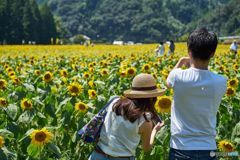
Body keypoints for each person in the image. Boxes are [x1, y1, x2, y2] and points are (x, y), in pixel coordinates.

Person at [166, 28, 227, 160]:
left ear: (189, 50)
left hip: (181, 147)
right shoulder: (221, 81)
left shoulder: (177, 76)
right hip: (208, 148)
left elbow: (168, 83)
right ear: (213, 53)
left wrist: (182, 62)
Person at [89, 73, 165, 160]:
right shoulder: (144, 120)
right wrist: (154, 131)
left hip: (98, 155)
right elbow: (146, 148)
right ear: (152, 98)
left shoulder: (114, 102)